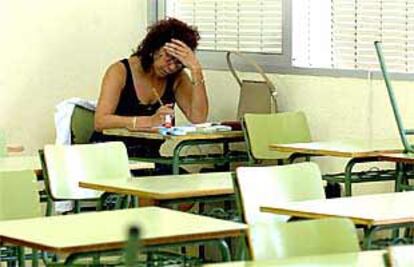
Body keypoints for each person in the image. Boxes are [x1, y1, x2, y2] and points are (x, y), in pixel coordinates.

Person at [90, 18, 209, 170]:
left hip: (149, 159)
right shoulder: (120, 71)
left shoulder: (177, 78)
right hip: (110, 156)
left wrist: (196, 70)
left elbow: (198, 118)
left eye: (179, 62)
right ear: (154, 50)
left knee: (188, 186)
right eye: (168, 58)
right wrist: (148, 121)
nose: (172, 67)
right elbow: (100, 122)